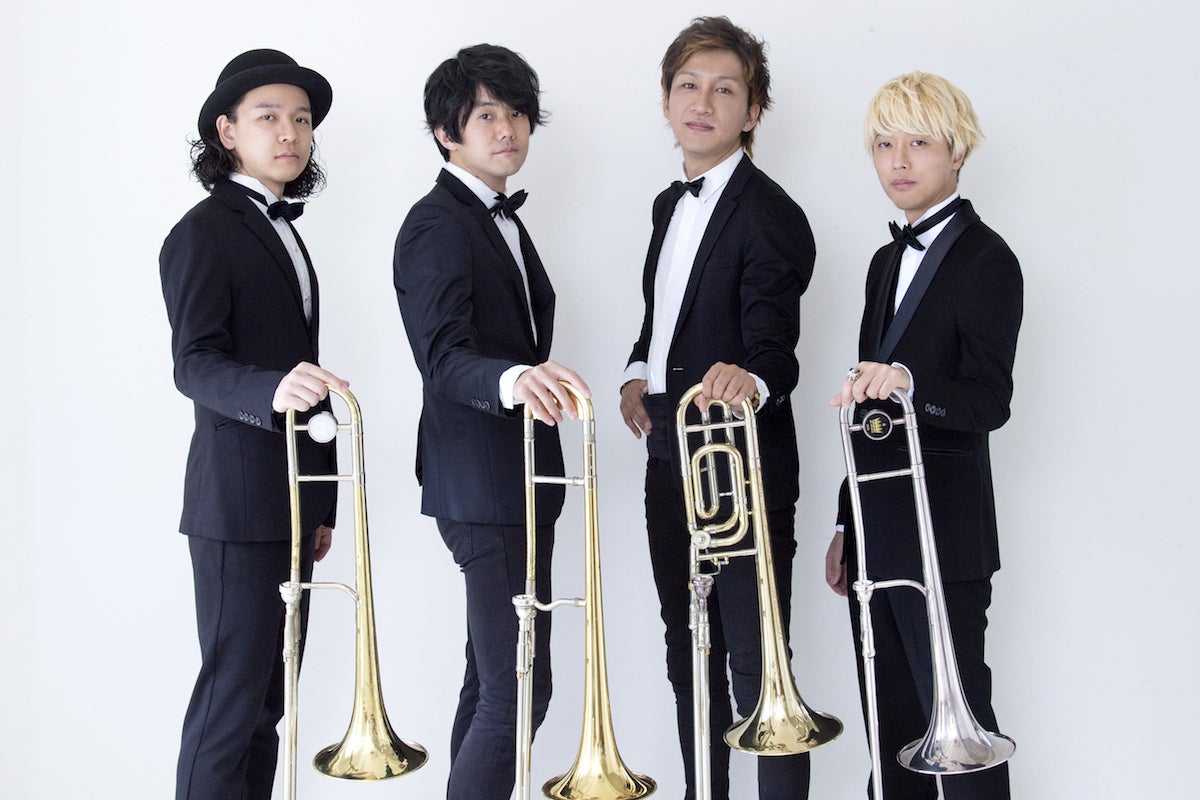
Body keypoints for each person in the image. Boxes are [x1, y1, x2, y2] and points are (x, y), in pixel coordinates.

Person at [618, 17, 816, 800]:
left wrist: (751, 378)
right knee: (686, 648)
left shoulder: (772, 213)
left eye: (724, 89)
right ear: (667, 102)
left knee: (760, 669)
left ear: (753, 111)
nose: (703, 103)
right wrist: (637, 373)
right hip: (668, 453)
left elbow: (776, 349)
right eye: (688, 86)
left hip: (741, 463)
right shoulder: (667, 206)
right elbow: (661, 318)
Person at [392, 43, 589, 800]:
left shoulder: (493, 218)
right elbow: (442, 357)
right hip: (483, 482)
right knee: (518, 691)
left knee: (494, 685)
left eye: (515, 113)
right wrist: (514, 378)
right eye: (484, 115)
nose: (506, 128)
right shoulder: (437, 223)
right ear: (447, 132)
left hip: (518, 478)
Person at [825, 71, 1022, 799]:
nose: (899, 161)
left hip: (946, 532)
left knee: (963, 742)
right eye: (884, 144)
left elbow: (990, 402)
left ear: (957, 152)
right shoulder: (884, 263)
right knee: (892, 735)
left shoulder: (989, 259)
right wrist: (846, 523)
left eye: (919, 143)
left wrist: (910, 382)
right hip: (877, 528)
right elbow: (864, 406)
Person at [160, 49, 348, 800]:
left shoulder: (283, 231)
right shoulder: (204, 231)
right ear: (227, 131)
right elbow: (194, 364)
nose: (290, 132)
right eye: (268, 116)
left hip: (291, 500)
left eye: (300, 119)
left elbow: (300, 364)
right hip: (236, 505)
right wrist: (272, 390)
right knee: (230, 705)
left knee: (269, 705)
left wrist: (322, 503)